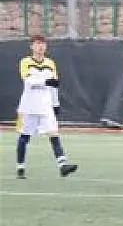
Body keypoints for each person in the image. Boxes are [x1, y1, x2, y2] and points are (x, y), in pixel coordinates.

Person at [14, 34, 77, 179]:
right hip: (29, 106)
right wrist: (45, 82)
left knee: (54, 133)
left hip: (45, 106)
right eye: (37, 43)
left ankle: (62, 165)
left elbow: (54, 85)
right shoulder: (25, 62)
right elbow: (28, 81)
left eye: (42, 43)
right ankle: (20, 167)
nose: (40, 46)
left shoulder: (50, 63)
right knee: (24, 136)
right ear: (31, 46)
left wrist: (56, 104)